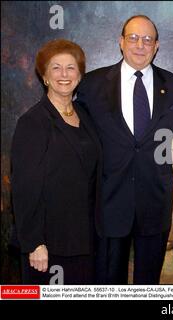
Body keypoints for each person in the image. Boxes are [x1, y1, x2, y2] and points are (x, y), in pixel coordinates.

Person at [76, 15, 173, 284]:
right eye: (134, 38)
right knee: (107, 284)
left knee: (148, 285)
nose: (140, 44)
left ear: (157, 45)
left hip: (155, 204)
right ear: (121, 42)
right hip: (109, 204)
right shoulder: (91, 84)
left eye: (148, 39)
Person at [11, 39, 101, 284]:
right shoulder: (33, 123)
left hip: (86, 240)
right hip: (49, 246)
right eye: (56, 68)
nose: (64, 74)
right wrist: (35, 243)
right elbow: (24, 189)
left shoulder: (86, 116)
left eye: (71, 67)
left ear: (80, 75)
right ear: (45, 77)